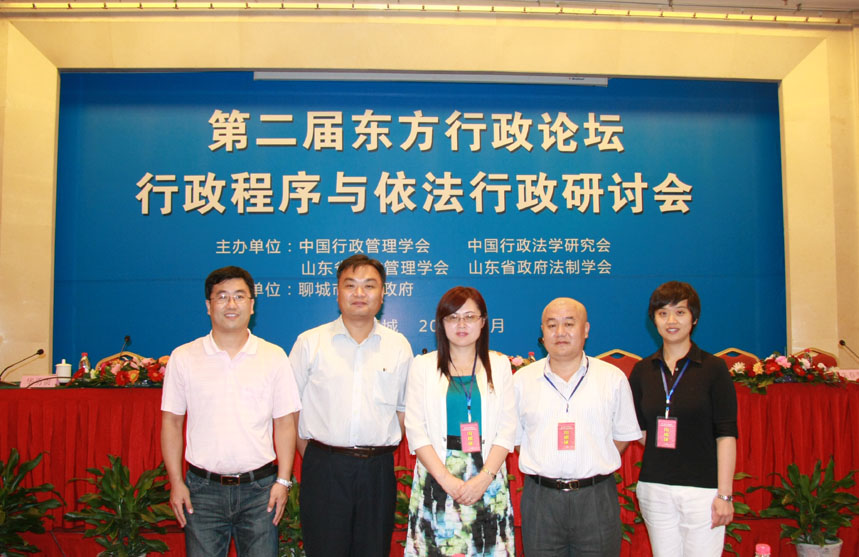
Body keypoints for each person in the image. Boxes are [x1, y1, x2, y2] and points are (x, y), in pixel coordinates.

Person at [161, 265, 301, 557]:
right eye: (222, 297)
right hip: (202, 491)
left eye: (239, 296)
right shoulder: (184, 357)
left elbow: (285, 423)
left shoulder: (273, 356)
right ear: (208, 305)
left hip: (260, 491)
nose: (231, 304)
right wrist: (176, 483)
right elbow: (171, 423)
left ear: (252, 305)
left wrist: (283, 481)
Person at [289, 254, 414, 557]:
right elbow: (290, 409)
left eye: (369, 286)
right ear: (338, 292)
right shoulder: (310, 342)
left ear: (382, 294)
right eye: (350, 285)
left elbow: (402, 410)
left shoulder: (398, 346)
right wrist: (319, 455)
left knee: (373, 549)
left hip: (377, 470)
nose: (360, 293)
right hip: (324, 467)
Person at [514, 297, 641, 557]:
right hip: (541, 500)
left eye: (569, 324)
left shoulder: (612, 378)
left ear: (586, 329)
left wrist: (590, 460)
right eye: (552, 325)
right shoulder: (521, 381)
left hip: (595, 498)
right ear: (542, 331)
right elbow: (517, 440)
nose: (560, 332)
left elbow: (622, 436)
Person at [404, 286, 517, 556]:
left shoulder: (499, 365)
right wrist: (447, 480)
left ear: (483, 322)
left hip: (487, 474)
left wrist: (485, 477)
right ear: (441, 324)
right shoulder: (423, 366)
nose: (461, 324)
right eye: (453, 317)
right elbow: (415, 429)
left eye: (470, 316)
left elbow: (508, 427)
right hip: (437, 474)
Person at [628, 281, 738, 557]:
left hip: (702, 492)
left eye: (680, 312)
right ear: (654, 320)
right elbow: (639, 429)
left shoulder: (714, 369)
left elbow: (726, 434)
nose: (671, 321)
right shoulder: (642, 371)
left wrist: (724, 494)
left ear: (694, 318)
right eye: (662, 313)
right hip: (655, 488)